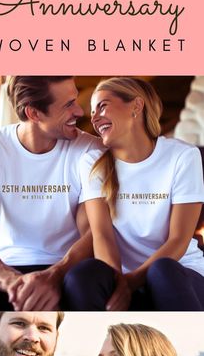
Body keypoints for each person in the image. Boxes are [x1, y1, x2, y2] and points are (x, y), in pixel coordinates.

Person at [0, 75, 120, 311]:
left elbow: (93, 232)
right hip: (8, 271)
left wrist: (54, 276)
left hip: (69, 269)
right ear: (34, 114)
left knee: (85, 281)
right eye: (68, 105)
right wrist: (15, 282)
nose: (79, 111)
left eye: (75, 99)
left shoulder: (90, 150)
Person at [65, 76, 204, 310]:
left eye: (102, 105)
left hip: (181, 272)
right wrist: (118, 282)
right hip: (122, 276)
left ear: (136, 106)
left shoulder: (183, 156)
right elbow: (102, 235)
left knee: (163, 270)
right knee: (82, 276)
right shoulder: (92, 161)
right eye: (92, 111)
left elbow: (179, 239)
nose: (95, 117)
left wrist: (130, 283)